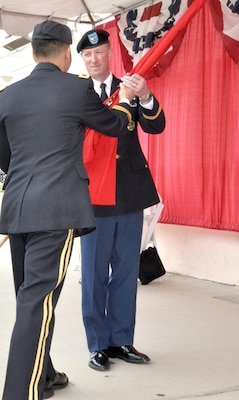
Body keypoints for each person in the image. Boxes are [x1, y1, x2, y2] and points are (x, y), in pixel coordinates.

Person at [0, 21, 136, 400]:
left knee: (31, 299)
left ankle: (42, 375)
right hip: (55, 211)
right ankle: (20, 393)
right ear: (65, 53)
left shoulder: (7, 95)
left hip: (16, 210)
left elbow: (4, 157)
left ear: (32, 53)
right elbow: (113, 125)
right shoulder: (77, 89)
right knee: (37, 302)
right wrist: (125, 101)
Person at [77, 29, 166, 371]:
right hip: (93, 197)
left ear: (110, 52)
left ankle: (121, 340)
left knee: (126, 272)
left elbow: (156, 127)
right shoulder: (79, 94)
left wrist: (145, 97)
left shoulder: (128, 85)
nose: (94, 59)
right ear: (82, 59)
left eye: (99, 52)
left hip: (129, 193)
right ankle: (98, 345)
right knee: (95, 274)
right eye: (88, 54)